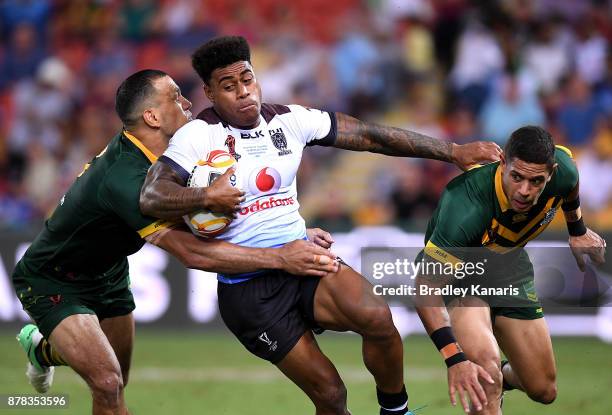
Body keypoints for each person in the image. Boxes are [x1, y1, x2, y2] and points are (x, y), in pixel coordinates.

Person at [139, 36, 502, 415]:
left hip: (305, 260)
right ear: (211, 93)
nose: (243, 92)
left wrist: (453, 151)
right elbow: (151, 196)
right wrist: (205, 197)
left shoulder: (288, 120)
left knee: (378, 318)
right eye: (229, 87)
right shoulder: (197, 136)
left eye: (247, 79)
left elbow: (368, 135)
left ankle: (394, 410)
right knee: (331, 395)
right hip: (250, 291)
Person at [12, 69, 339, 415]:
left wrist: (295, 234)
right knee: (107, 384)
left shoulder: (172, 158)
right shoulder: (127, 180)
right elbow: (192, 251)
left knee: (117, 378)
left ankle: (43, 348)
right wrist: (281, 257)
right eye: (176, 97)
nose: (187, 103)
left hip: (108, 274)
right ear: (152, 117)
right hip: (52, 278)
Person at [414, 126, 606, 414]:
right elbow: (425, 287)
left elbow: (571, 180)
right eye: (516, 176)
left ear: (551, 173)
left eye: (536, 181)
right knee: (485, 373)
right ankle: (490, 379)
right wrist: (454, 358)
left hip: (508, 267)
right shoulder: (464, 205)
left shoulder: (563, 170)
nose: (525, 191)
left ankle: (498, 378)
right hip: (462, 276)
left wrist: (576, 229)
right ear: (502, 163)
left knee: (543, 389)